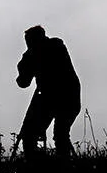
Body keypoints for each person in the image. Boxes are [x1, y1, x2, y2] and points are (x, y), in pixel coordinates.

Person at [16, 24, 81, 158]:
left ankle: (59, 167)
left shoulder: (55, 46)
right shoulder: (38, 53)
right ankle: (39, 164)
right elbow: (23, 82)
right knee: (33, 134)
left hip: (63, 97)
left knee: (59, 133)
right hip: (51, 98)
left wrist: (26, 63)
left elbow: (23, 81)